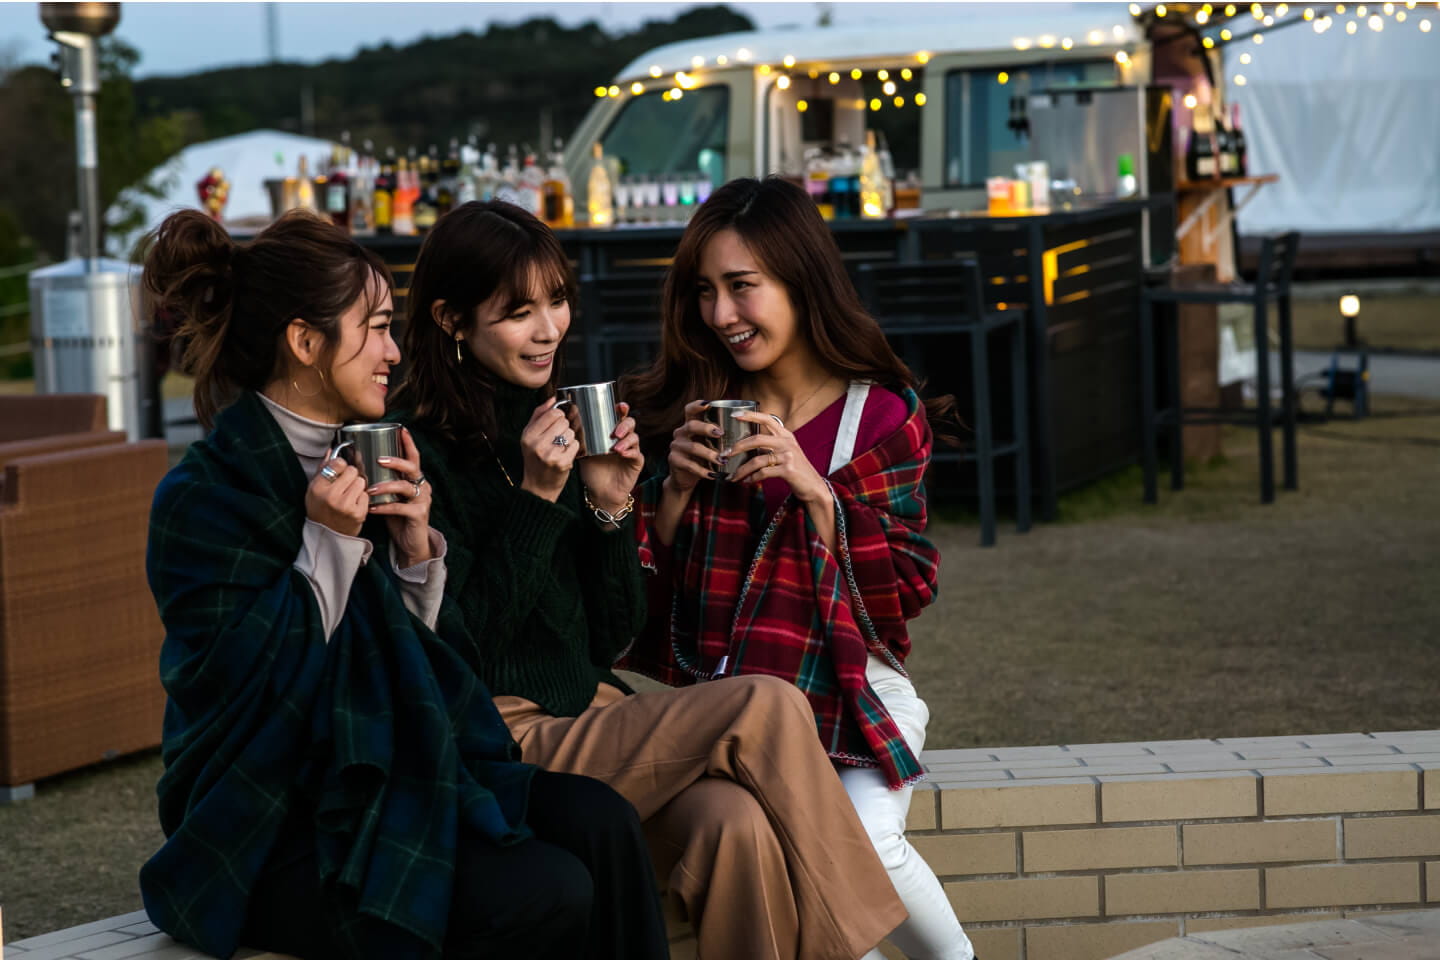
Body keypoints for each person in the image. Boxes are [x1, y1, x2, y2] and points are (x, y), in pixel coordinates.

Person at [138, 209, 668, 960]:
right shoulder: (206, 494)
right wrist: (325, 542)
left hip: (398, 769)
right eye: (378, 327)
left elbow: (429, 666)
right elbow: (242, 688)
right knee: (546, 888)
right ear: (305, 343)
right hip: (270, 815)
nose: (394, 350)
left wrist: (417, 556)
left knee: (600, 821)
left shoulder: (376, 459)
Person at [390, 199, 906, 960]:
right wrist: (536, 499)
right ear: (450, 319)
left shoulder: (553, 426)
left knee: (734, 826)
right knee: (765, 702)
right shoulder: (417, 453)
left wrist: (608, 504)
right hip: (498, 735)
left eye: (558, 301)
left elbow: (612, 634)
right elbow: (463, 652)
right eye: (518, 312)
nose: (548, 330)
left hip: (591, 713)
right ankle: (854, 948)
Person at [621, 176, 976, 960]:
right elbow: (646, 604)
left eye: (743, 287)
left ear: (800, 279)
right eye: (706, 292)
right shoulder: (701, 403)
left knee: (860, 842)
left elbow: (906, 588)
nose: (721, 315)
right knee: (793, 871)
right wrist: (672, 493)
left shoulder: (878, 415)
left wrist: (816, 494)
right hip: (734, 704)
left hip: (854, 685)